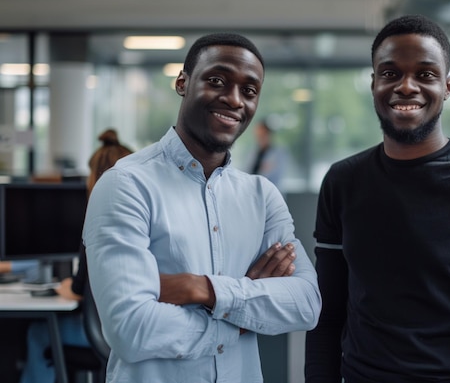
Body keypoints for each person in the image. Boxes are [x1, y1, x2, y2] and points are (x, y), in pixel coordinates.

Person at [304, 15, 450, 383]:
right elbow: (326, 317)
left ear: (447, 86)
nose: (406, 86)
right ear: (374, 83)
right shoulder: (343, 181)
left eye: (425, 74)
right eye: (390, 73)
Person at [82, 33, 321, 383]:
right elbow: (130, 328)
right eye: (217, 80)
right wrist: (239, 317)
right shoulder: (125, 185)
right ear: (182, 82)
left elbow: (305, 304)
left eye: (250, 90)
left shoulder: (261, 196)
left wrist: (203, 289)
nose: (234, 99)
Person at [19, 128, 133, 383]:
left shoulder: (97, 223)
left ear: (97, 178)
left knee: (38, 332)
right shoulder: (144, 223)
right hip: (136, 329)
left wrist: (60, 287)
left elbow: (77, 291)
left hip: (103, 332)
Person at [249, 118, 289, 189]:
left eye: (262, 135)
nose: (260, 138)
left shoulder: (278, 153)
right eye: (258, 135)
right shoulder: (253, 152)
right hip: (253, 190)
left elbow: (275, 176)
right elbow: (246, 172)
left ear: (268, 134)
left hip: (270, 190)